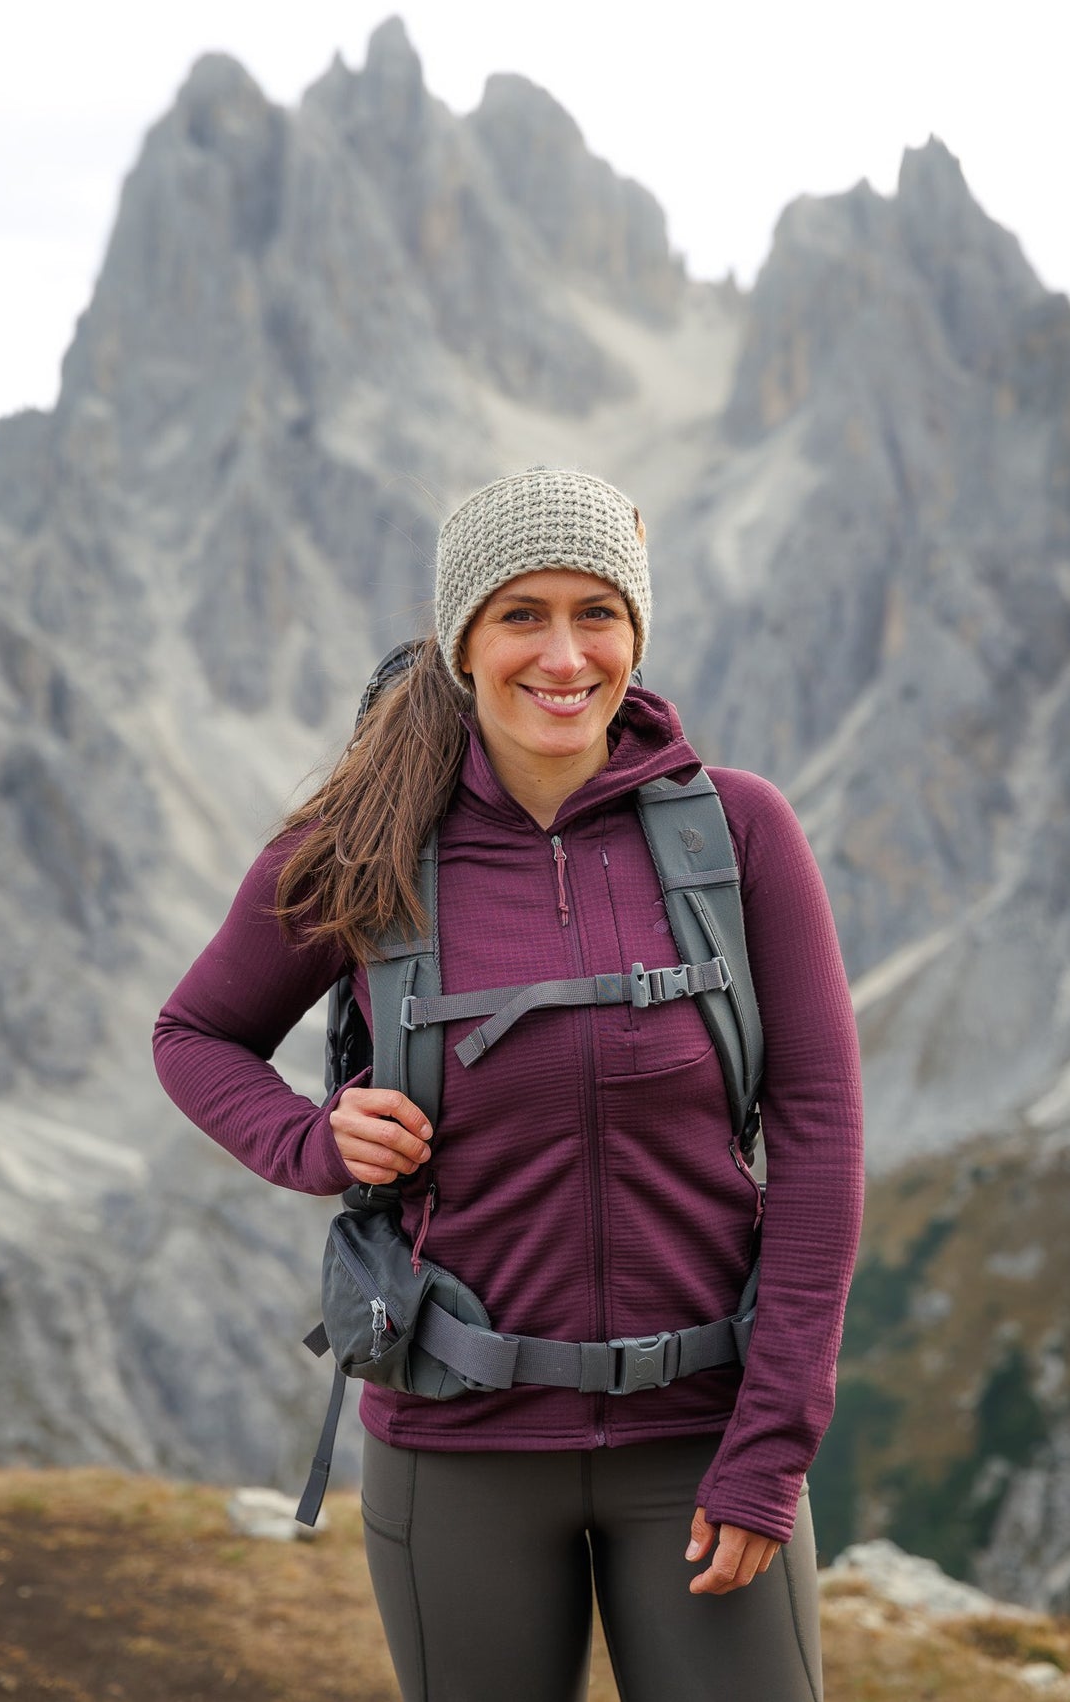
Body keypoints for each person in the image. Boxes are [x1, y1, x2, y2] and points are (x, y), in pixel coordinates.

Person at [154, 466, 863, 1702]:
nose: (564, 655)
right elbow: (195, 1033)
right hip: (454, 1446)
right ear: (462, 639)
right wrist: (313, 1141)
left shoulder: (737, 831)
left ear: (635, 632)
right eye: (520, 614)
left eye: (597, 613)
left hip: (700, 1440)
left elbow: (820, 1135)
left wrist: (771, 1445)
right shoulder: (361, 845)